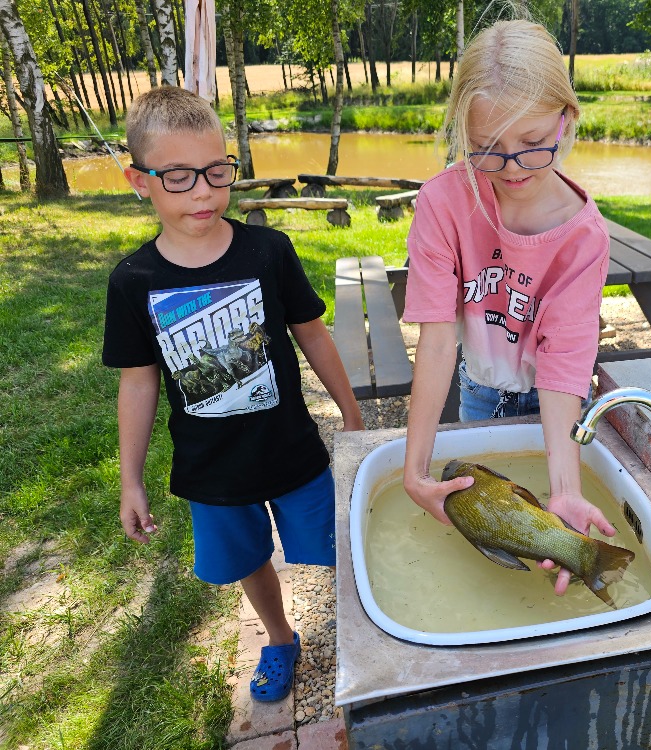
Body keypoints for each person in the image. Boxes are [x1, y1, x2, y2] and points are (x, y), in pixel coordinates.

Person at [102, 86, 362, 703]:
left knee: (338, 547)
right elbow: (137, 382)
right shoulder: (133, 281)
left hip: (294, 453)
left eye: (217, 172)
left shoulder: (268, 250)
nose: (203, 191)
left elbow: (312, 335)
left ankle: (363, 630)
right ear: (141, 182)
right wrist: (130, 480)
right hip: (210, 469)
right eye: (180, 177)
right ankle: (279, 637)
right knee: (248, 560)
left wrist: (350, 411)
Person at [401, 19, 616, 596]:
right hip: (480, 387)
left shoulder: (583, 237)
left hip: (560, 400)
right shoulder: (444, 202)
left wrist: (565, 488)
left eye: (532, 143)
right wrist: (414, 470)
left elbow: (564, 364)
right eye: (488, 150)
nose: (513, 169)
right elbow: (438, 338)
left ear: (566, 119)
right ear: (463, 132)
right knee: (490, 523)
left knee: (544, 508)